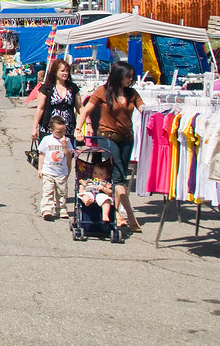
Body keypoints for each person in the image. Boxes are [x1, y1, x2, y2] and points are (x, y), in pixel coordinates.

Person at [75, 61, 145, 232]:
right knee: (119, 176)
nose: (130, 79)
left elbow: (142, 107)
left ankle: (116, 213)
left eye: (131, 77)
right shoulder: (103, 92)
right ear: (118, 76)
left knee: (119, 176)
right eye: (127, 76)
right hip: (108, 138)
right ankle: (129, 216)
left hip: (127, 138)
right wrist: (78, 129)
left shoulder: (132, 93)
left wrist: (153, 112)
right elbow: (85, 110)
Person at [31, 59, 82, 141]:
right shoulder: (47, 88)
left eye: (67, 71)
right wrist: (34, 128)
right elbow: (40, 108)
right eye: (62, 71)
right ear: (55, 72)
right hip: (49, 128)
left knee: (67, 151)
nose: (65, 73)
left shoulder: (72, 88)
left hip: (67, 128)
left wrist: (88, 123)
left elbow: (80, 107)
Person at [37, 116, 75, 220]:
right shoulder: (47, 139)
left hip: (61, 171)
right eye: (59, 131)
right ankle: (47, 209)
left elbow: (69, 155)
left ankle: (61, 208)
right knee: (48, 190)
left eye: (64, 130)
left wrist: (65, 146)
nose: (62, 133)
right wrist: (40, 168)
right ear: (51, 130)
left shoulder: (66, 140)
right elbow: (42, 154)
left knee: (62, 192)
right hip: (48, 170)